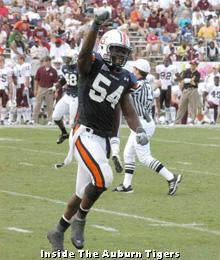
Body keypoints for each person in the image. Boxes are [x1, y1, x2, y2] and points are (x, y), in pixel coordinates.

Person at [47, 10, 149, 251]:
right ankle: (80, 219)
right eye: (116, 50)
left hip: (102, 140)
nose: (119, 55)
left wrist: (140, 129)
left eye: (123, 52)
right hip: (84, 132)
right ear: (104, 48)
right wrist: (95, 26)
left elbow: (129, 111)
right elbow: (83, 54)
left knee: (82, 191)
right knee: (105, 179)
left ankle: (57, 230)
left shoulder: (125, 77)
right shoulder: (91, 65)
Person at [112, 59, 182, 194]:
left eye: (134, 69)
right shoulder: (146, 83)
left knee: (144, 157)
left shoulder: (138, 85)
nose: (133, 71)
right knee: (128, 154)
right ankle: (127, 186)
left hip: (142, 123)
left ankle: (171, 177)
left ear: (138, 70)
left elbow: (122, 91)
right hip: (142, 122)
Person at [52, 49, 78, 144]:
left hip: (76, 97)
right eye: (66, 58)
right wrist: (56, 86)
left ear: (74, 58)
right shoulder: (65, 68)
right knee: (55, 116)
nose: (66, 60)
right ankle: (64, 133)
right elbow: (65, 79)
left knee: (72, 123)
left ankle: (75, 142)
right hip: (67, 96)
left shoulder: (80, 69)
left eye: (68, 58)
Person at [33, 56, 58, 125]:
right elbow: (36, 80)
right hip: (41, 88)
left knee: (50, 105)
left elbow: (55, 82)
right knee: (38, 104)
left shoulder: (53, 71)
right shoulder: (40, 69)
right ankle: (34, 119)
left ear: (50, 61)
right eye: (45, 61)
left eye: (48, 61)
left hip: (50, 88)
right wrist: (35, 89)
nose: (46, 62)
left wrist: (55, 91)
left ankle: (50, 119)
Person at [175, 60, 201, 124]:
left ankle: (192, 121)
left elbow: (195, 83)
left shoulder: (198, 73)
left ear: (196, 65)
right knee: (181, 105)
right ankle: (177, 121)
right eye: (192, 64)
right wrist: (190, 80)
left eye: (194, 64)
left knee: (193, 106)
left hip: (193, 90)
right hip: (186, 90)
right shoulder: (186, 71)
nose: (193, 65)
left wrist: (188, 80)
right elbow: (183, 80)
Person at [156, 57, 179, 124]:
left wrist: (176, 79)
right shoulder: (159, 67)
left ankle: (167, 119)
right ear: (163, 61)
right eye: (165, 61)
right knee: (159, 103)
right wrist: (158, 83)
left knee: (167, 103)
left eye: (167, 61)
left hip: (168, 86)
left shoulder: (172, 68)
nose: (166, 62)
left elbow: (178, 75)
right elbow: (157, 77)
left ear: (169, 62)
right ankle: (158, 119)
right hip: (161, 86)